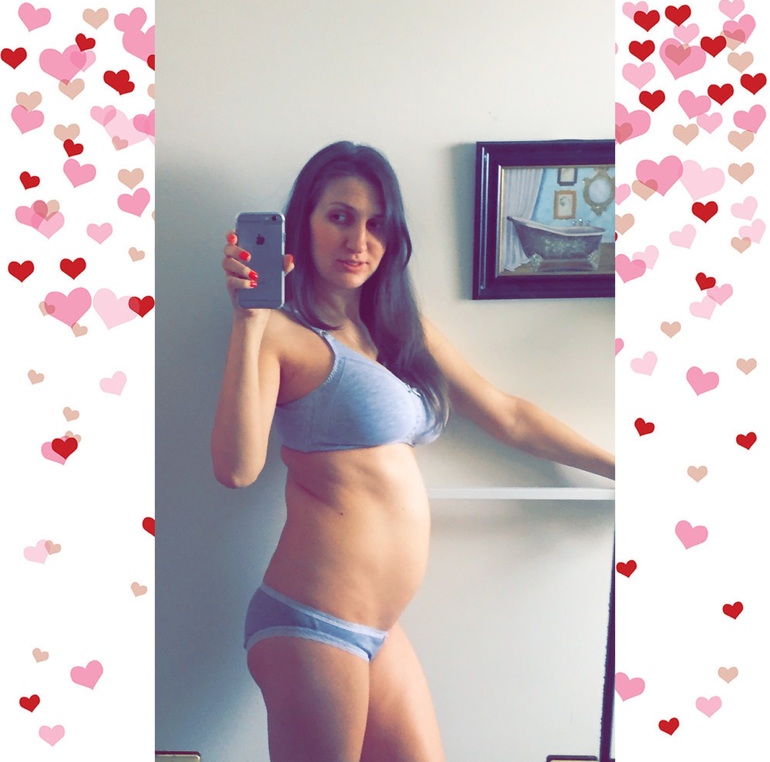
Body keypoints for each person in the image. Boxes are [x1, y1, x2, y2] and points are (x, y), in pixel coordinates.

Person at [211, 141, 614, 762]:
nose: (359, 241)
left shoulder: (399, 330)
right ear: (302, 223)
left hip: (379, 628)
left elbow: (507, 415)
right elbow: (237, 470)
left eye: (377, 224)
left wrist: (624, 469)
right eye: (340, 217)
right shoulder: (280, 334)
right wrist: (248, 322)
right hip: (312, 622)